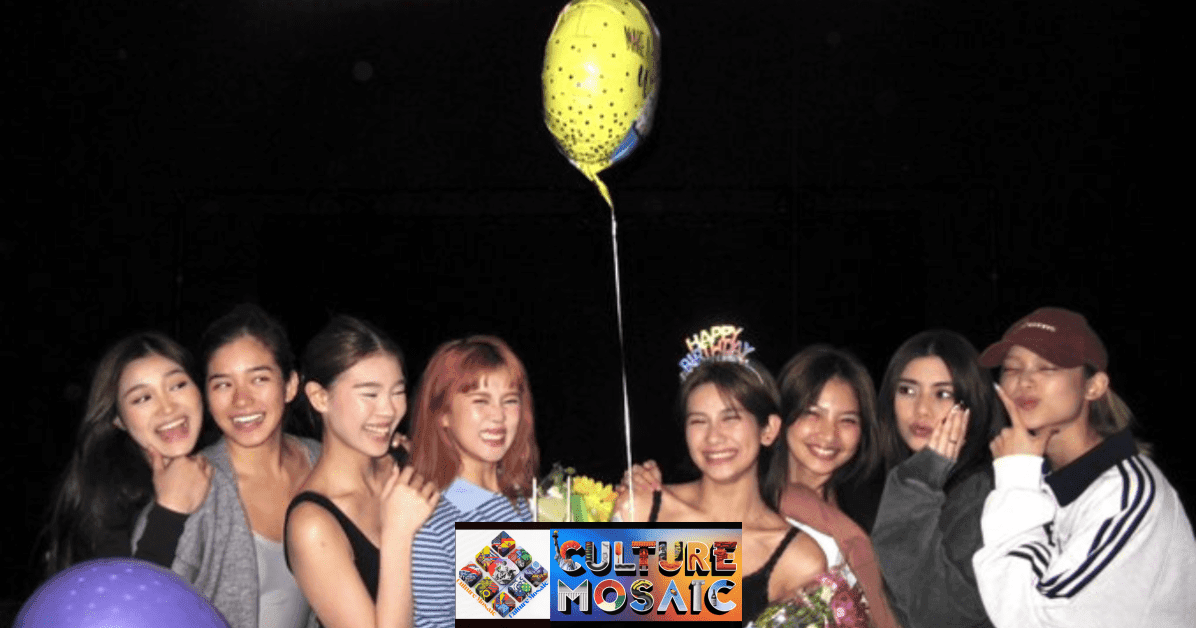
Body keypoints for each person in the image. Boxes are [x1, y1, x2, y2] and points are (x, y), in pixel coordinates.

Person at [972, 307, 1196, 627]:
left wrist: (1016, 479)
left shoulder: (1127, 495)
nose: (1024, 381)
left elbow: (1035, 619)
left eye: (1047, 368)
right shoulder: (1044, 480)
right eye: (1011, 369)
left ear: (1094, 386)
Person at [131, 304, 321, 628]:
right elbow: (137, 605)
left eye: (259, 378)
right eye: (222, 384)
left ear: (290, 385)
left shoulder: (321, 461)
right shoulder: (193, 489)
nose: (241, 400)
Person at [614, 355, 829, 624]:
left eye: (730, 418)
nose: (713, 437)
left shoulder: (798, 560)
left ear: (768, 429)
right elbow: (564, 599)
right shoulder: (641, 507)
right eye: (699, 421)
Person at [285, 316, 439, 628]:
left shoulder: (405, 463)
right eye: (369, 394)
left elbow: (484, 586)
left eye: (397, 392)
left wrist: (561, 555)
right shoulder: (312, 525)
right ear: (319, 397)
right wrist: (399, 534)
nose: (388, 410)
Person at [44, 332, 211, 575]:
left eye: (177, 385)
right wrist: (170, 512)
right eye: (142, 398)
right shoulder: (104, 496)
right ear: (117, 419)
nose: (168, 407)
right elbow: (125, 604)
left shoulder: (221, 467)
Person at [870, 330, 1002, 628]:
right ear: (775, 427)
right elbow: (735, 608)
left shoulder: (979, 495)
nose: (827, 435)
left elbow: (941, 614)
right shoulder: (744, 518)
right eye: (810, 414)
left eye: (943, 394)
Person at [408, 336, 540, 628]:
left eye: (510, 401)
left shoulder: (525, 495)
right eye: (480, 401)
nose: (498, 416)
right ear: (443, 413)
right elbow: (545, 594)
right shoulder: (436, 520)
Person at [765, 344, 900, 628]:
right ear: (782, 418)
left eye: (847, 420)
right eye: (812, 413)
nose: (829, 434)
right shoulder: (754, 507)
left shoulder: (867, 512)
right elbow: (665, 599)